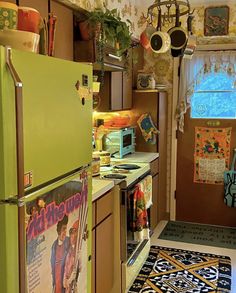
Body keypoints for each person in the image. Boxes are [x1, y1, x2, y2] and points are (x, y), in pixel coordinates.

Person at [51, 215, 70, 293]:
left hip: (65, 277)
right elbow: (52, 263)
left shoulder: (69, 241)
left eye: (66, 230)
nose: (65, 233)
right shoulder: (54, 246)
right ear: (59, 231)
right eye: (63, 230)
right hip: (56, 277)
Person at [63, 223, 79, 293]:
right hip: (67, 283)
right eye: (71, 237)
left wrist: (69, 280)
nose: (72, 239)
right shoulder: (69, 251)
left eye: (74, 237)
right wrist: (65, 280)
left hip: (72, 283)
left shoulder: (77, 252)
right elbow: (66, 267)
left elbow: (77, 269)